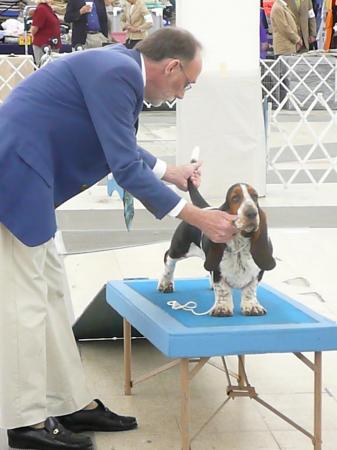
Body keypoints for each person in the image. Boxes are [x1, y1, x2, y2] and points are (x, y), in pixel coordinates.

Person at [0, 27, 237, 450]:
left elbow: (116, 141)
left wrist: (169, 171)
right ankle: (25, 422)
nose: (182, 95)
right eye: (187, 84)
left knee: (52, 296)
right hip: (14, 183)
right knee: (25, 305)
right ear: (172, 66)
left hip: (28, 179)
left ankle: (67, 402)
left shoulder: (116, 66)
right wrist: (199, 217)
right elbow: (125, 166)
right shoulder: (116, 72)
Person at [31, 0, 61, 66]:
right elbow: (34, 28)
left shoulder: (48, 9)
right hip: (43, 45)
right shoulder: (41, 9)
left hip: (53, 44)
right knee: (43, 67)